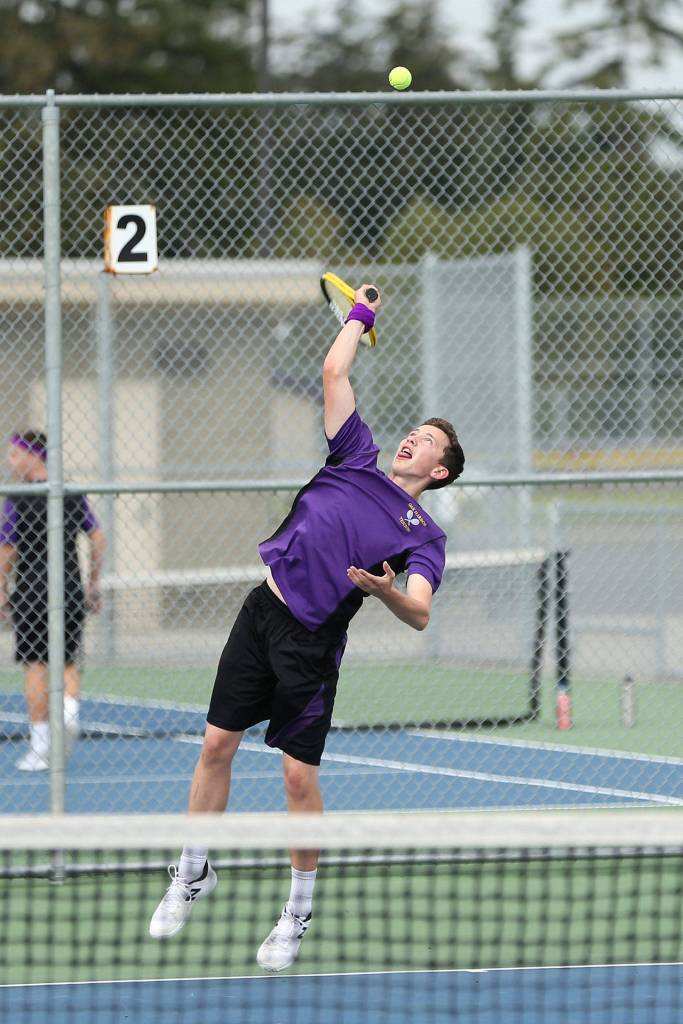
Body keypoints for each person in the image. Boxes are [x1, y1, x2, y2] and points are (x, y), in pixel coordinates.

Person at [149, 285, 465, 970]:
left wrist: (384, 591)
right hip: (260, 614)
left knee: (297, 779)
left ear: (437, 471)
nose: (412, 438)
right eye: (414, 431)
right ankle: (192, 870)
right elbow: (332, 372)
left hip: (311, 644)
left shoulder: (423, 536)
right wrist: (361, 314)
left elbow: (419, 611)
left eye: (428, 442)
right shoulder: (353, 454)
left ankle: (296, 912)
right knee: (214, 747)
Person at [0, 430, 106, 771]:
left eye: (15, 454)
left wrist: (1, 586)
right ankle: (70, 713)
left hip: (30, 591)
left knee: (35, 664)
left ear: (34, 455)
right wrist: (92, 581)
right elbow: (98, 536)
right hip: (70, 587)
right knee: (68, 660)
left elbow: (8, 549)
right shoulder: (70, 492)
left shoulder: (16, 498)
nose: (9, 461)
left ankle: (41, 749)